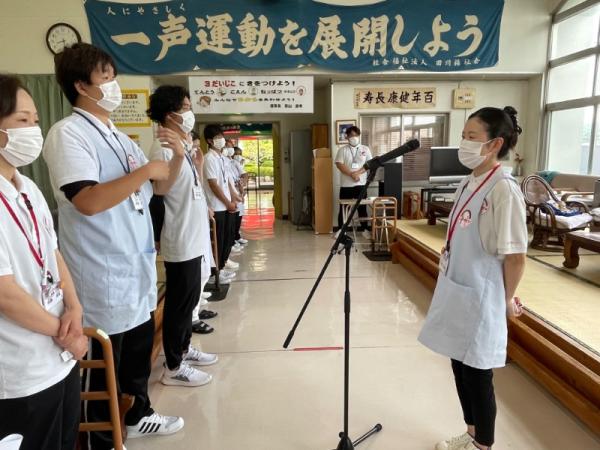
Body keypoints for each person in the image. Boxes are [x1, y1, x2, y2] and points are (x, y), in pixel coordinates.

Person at [42, 43, 183, 449]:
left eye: (113, 76)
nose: (113, 85)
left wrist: (174, 158)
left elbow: (159, 188)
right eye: (105, 77)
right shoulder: (68, 134)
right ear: (80, 85)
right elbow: (87, 200)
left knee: (136, 357)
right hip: (101, 274)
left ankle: (138, 416)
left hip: (134, 268)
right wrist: (145, 170)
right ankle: (101, 439)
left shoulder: (120, 138)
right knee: (104, 368)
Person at [418, 106, 527, 450]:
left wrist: (505, 299)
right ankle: (471, 433)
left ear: (495, 144)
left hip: (482, 294)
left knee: (477, 373)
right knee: (459, 364)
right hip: (458, 287)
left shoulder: (504, 189)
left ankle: (483, 444)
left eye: (471, 136)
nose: (463, 143)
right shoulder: (469, 181)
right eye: (463, 135)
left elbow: (516, 255)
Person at [0, 74, 87, 450]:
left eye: (35, 120)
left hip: (60, 357)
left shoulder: (28, 188)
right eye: (22, 120)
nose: (33, 130)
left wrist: (75, 308)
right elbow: (5, 294)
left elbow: (53, 253)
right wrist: (64, 333)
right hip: (20, 372)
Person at [147, 85, 218, 387]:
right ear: (169, 114)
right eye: (185, 108)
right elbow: (161, 189)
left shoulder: (182, 145)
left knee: (189, 301)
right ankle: (173, 366)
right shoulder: (163, 147)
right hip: (181, 237)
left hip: (194, 234)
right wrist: (180, 155)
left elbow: (191, 188)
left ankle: (184, 349)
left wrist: (197, 164)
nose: (190, 113)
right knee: (179, 303)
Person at [202, 125, 241, 284]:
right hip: (216, 206)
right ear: (210, 141)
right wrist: (226, 202)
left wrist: (234, 198)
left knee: (227, 239)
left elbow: (227, 182)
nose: (221, 140)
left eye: (222, 136)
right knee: (217, 241)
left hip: (226, 205)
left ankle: (221, 267)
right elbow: (213, 184)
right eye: (217, 137)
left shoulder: (221, 158)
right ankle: (214, 273)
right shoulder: (209, 159)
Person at [334, 125, 372, 238]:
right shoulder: (342, 150)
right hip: (346, 185)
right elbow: (339, 164)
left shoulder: (365, 149)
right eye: (351, 135)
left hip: (361, 184)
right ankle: (341, 230)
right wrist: (351, 174)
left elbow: (369, 164)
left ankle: (365, 229)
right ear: (347, 137)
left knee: (362, 208)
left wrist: (358, 173)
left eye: (356, 135)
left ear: (359, 136)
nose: (353, 137)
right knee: (344, 209)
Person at [231, 145, 249, 245]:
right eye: (236, 154)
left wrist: (242, 191)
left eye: (240, 154)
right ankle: (234, 238)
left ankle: (237, 236)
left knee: (239, 216)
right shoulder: (232, 163)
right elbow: (243, 176)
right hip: (234, 194)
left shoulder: (239, 164)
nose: (238, 156)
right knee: (235, 217)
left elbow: (244, 177)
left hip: (239, 193)